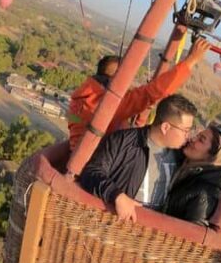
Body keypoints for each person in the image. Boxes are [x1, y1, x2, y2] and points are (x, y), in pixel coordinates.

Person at [67, 38, 210, 150]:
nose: (128, 83)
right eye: (124, 77)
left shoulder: (81, 97)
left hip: (83, 158)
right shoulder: (108, 102)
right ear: (114, 78)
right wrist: (191, 60)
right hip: (92, 166)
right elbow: (156, 91)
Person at [79, 94, 198, 222]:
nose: (187, 136)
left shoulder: (179, 156)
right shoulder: (122, 141)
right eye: (185, 130)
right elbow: (91, 172)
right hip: (115, 223)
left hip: (150, 234)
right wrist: (117, 195)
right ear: (165, 127)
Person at [162, 123, 221, 226]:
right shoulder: (184, 168)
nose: (193, 139)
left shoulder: (205, 195)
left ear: (212, 157)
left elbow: (191, 235)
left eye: (201, 140)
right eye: (197, 136)